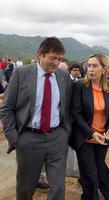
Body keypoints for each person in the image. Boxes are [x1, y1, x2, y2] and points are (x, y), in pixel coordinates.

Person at [0, 37, 72, 200]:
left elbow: (66, 109)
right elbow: (7, 108)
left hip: (57, 139)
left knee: (58, 187)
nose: (56, 63)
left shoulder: (63, 77)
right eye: (53, 58)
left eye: (59, 59)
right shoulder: (21, 73)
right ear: (40, 54)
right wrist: (15, 139)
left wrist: (65, 133)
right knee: (26, 188)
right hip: (29, 139)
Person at [69, 53, 109, 200]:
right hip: (85, 140)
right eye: (88, 66)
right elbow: (76, 114)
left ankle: (106, 193)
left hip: (103, 139)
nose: (90, 69)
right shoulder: (79, 86)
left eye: (95, 66)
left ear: (104, 69)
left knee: (97, 171)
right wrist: (91, 133)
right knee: (91, 178)